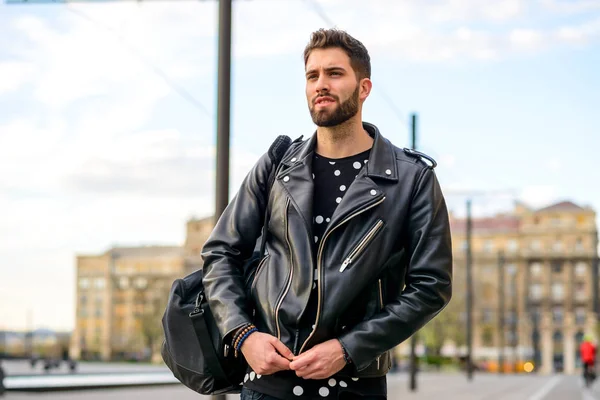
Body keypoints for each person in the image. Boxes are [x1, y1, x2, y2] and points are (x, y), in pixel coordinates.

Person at [201, 28, 453, 400]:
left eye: (334, 74)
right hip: (267, 384)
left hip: (354, 386)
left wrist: (349, 348)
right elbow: (220, 253)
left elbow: (431, 285)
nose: (321, 84)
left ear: (363, 88)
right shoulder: (276, 164)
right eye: (312, 75)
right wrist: (243, 334)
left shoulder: (412, 179)